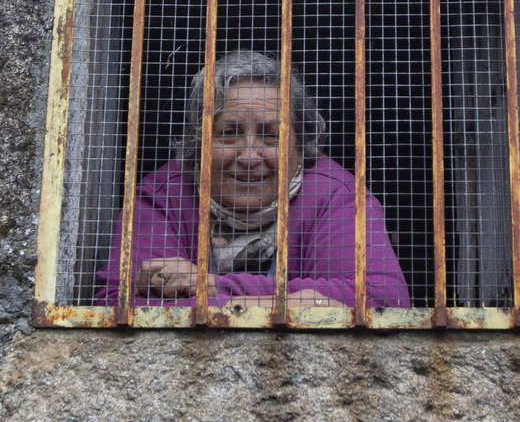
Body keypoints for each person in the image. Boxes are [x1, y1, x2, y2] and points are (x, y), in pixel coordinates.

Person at [95, 50, 410, 310]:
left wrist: (212, 285)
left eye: (271, 136)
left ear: (300, 148)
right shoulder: (161, 196)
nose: (249, 156)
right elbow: (114, 305)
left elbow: (385, 300)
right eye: (228, 134)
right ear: (199, 147)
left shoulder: (335, 194)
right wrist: (290, 303)